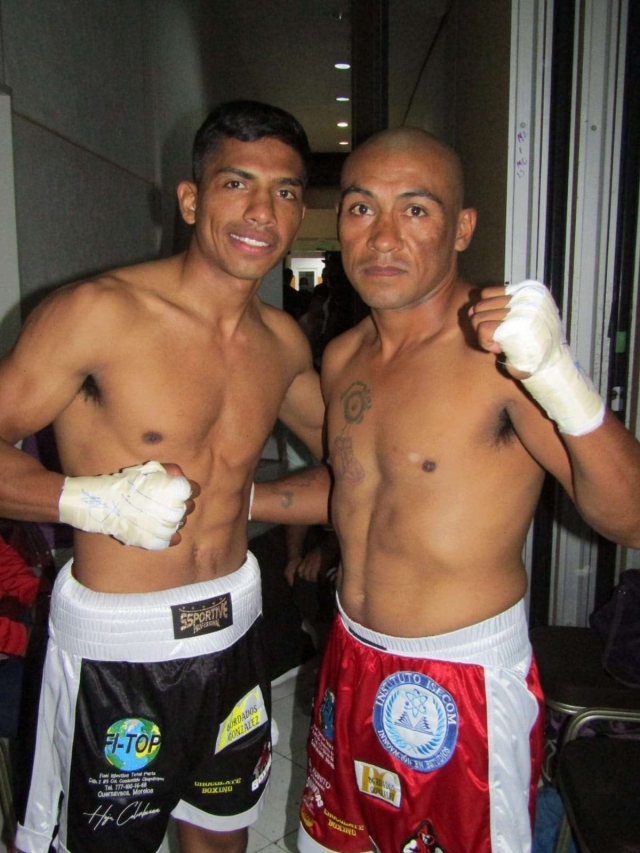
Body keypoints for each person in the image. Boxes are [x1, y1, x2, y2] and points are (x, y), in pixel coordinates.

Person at [250, 127, 640, 852]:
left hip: (459, 680)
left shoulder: (501, 356)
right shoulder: (342, 357)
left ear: (462, 228)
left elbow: (630, 518)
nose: (384, 236)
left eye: (416, 210)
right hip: (350, 654)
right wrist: (236, 499)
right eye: (362, 209)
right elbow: (357, 486)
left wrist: (558, 377)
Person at [0, 100, 324, 853]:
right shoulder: (97, 313)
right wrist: (92, 501)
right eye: (236, 183)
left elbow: (369, 458)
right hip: (117, 650)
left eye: (282, 192)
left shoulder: (280, 344)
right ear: (190, 198)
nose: (260, 211)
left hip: (235, 628)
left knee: (220, 838)